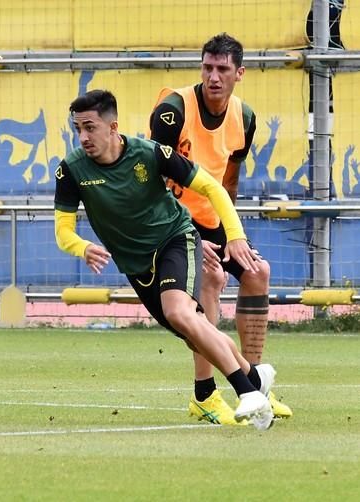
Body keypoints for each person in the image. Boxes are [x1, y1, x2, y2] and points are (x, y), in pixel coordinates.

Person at [55, 89, 275, 430]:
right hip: (137, 265)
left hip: (175, 239)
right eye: (77, 128)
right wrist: (81, 247)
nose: (83, 137)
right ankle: (255, 378)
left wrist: (235, 236)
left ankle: (247, 393)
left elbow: (213, 188)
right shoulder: (71, 170)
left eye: (90, 127)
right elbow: (63, 231)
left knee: (180, 312)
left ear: (112, 127)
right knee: (194, 331)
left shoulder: (151, 154)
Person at [149, 33, 292, 425]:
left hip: (213, 219)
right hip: (172, 222)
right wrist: (186, 237)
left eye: (222, 69)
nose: (213, 76)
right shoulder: (172, 109)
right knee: (211, 278)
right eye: (207, 67)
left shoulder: (244, 117)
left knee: (258, 272)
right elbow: (150, 180)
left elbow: (228, 181)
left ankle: (256, 382)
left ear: (239, 73)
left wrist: (232, 234)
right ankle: (205, 394)